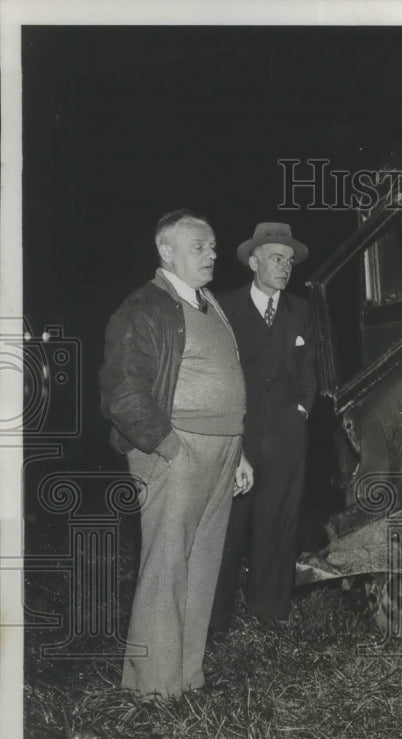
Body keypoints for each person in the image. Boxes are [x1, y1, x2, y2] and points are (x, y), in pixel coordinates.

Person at [99, 209, 254, 696]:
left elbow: (225, 382)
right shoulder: (145, 306)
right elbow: (123, 393)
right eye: (199, 245)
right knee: (166, 567)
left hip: (223, 449)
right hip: (174, 450)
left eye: (212, 245)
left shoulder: (208, 302)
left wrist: (239, 451)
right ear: (167, 252)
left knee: (202, 566)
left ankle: (186, 677)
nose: (212, 253)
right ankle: (150, 687)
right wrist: (168, 447)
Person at [210, 222, 317, 631]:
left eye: (289, 261)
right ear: (254, 262)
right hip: (238, 435)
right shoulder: (223, 306)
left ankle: (270, 612)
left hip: (288, 437)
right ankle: (214, 619)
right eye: (276, 258)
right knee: (229, 525)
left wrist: (302, 413)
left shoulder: (301, 310)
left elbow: (310, 371)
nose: (285, 267)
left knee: (279, 519)